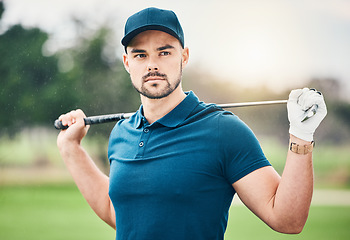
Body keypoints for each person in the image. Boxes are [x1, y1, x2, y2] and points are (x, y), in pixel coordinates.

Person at [57, 7, 327, 240]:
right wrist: (71, 149)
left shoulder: (223, 131)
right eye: (140, 55)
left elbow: (287, 219)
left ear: (184, 56)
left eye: (164, 52)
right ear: (127, 62)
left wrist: (301, 134)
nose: (152, 64)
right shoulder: (121, 134)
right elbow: (118, 212)